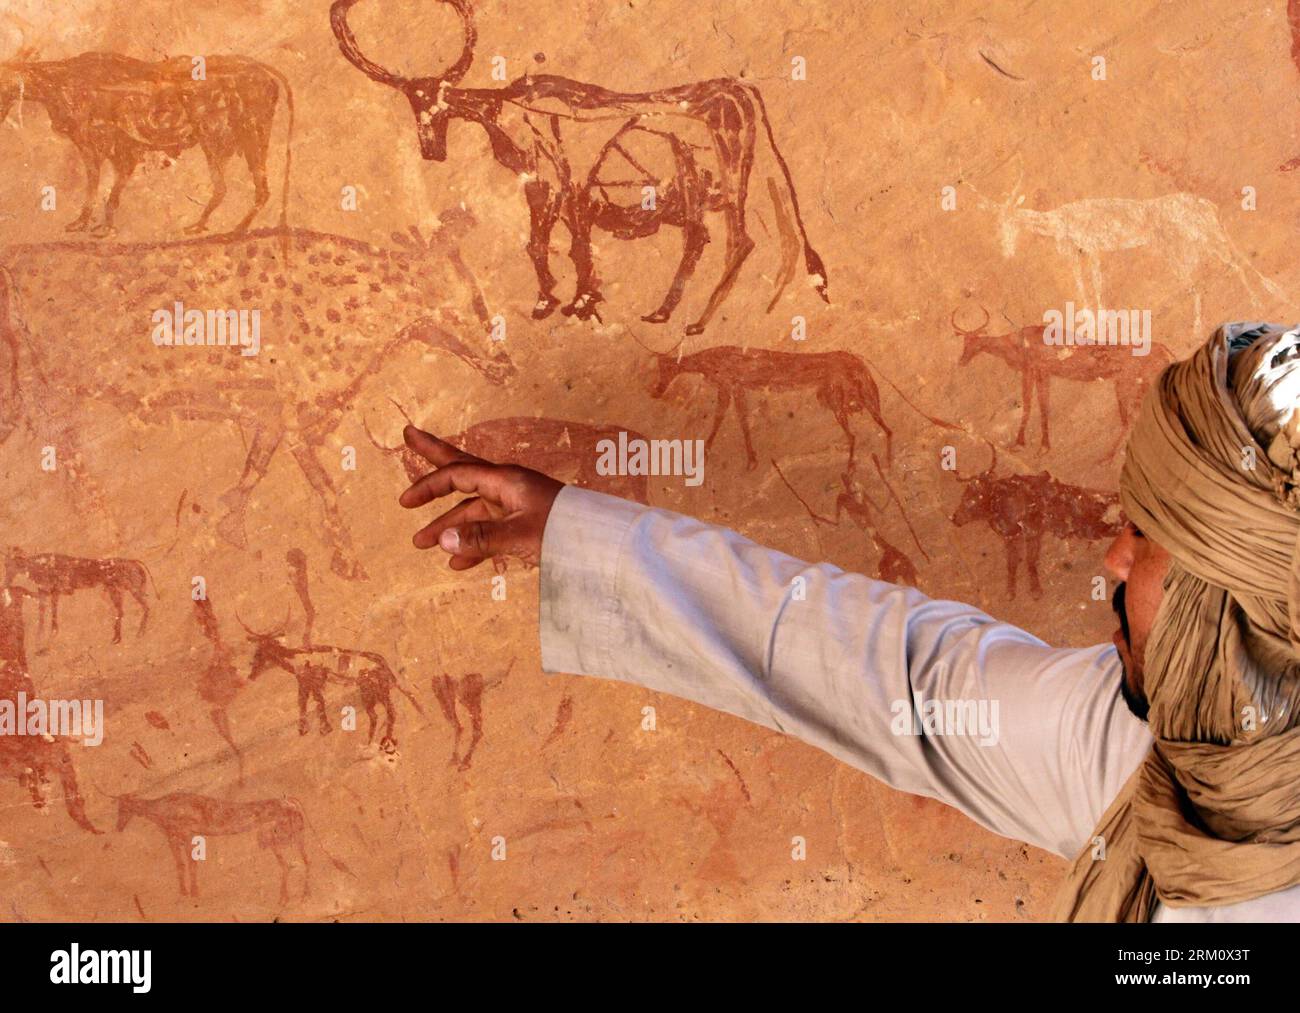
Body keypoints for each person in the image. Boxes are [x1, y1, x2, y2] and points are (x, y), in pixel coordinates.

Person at [397, 321, 1300, 923]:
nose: (1110, 558)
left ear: (1237, 594)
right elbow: (893, 671)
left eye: (1145, 538)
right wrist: (583, 530)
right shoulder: (1136, 751)